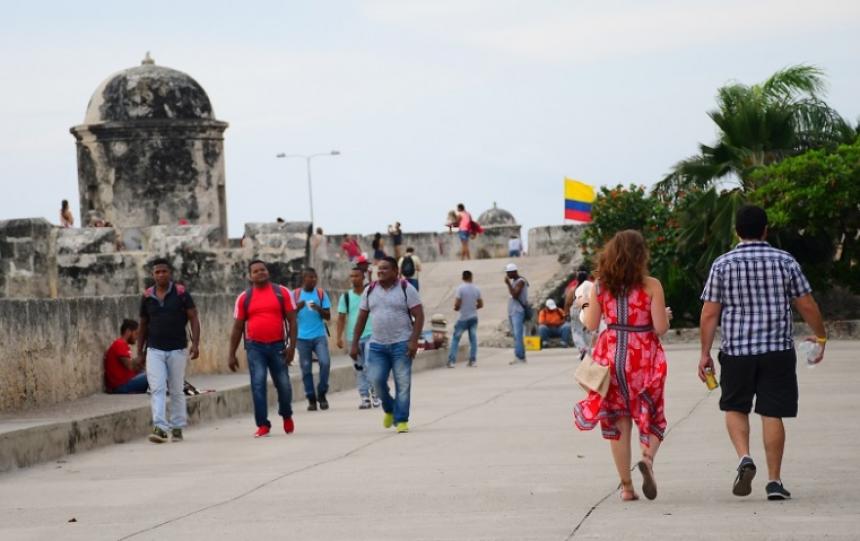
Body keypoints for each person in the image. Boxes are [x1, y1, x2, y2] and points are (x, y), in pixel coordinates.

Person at [698, 205, 826, 501]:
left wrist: (704, 352)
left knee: (735, 407)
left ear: (737, 232)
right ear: (766, 229)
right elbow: (806, 304)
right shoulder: (785, 261)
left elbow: (709, 313)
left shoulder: (723, 264)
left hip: (737, 352)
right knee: (772, 412)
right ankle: (774, 482)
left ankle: (744, 457)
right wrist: (821, 337)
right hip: (777, 351)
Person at [573, 230, 670, 501]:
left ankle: (627, 488)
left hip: (612, 357)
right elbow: (660, 328)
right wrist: (666, 317)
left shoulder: (601, 286)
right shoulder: (652, 285)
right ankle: (648, 459)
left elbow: (591, 325)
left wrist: (584, 306)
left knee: (618, 422)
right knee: (652, 414)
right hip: (644, 358)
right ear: (641, 255)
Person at [350, 257, 425, 434]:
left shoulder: (407, 289)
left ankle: (401, 420)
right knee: (375, 380)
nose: (380, 271)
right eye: (379, 268)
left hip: (402, 344)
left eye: (385, 268)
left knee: (403, 383)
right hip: (377, 346)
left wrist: (413, 341)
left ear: (395, 272)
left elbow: (419, 315)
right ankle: (390, 408)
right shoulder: (370, 290)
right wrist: (354, 343)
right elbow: (361, 318)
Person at [228, 260, 298, 437]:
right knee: (258, 384)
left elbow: (292, 321)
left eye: (263, 270)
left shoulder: (282, 293)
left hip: (278, 346)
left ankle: (286, 414)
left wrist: (291, 347)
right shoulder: (244, 297)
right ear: (250, 276)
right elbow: (237, 327)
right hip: (255, 348)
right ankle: (263, 424)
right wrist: (231, 354)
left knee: (283, 385)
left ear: (268, 272)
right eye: (256, 271)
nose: (260, 273)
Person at [136, 259, 200, 444]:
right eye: (157, 272)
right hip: (154, 349)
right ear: (153, 275)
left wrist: (195, 344)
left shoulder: (181, 293)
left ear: (169, 273)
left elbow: (193, 318)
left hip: (177, 349)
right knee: (157, 389)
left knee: (177, 389)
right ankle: (160, 428)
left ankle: (177, 426)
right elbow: (143, 324)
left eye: (164, 271)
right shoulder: (147, 296)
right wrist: (140, 352)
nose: (161, 275)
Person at [336, 267, 380, 409]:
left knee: (370, 365)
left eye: (356, 276)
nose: (353, 279)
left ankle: (375, 394)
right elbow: (341, 318)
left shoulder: (370, 294)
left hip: (371, 335)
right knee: (359, 367)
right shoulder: (346, 297)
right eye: (351, 276)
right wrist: (338, 337)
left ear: (363, 278)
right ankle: (364, 397)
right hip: (353, 338)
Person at [294, 268, 333, 411]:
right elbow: (288, 316)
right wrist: (297, 308)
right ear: (303, 279)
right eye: (310, 277)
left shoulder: (321, 294)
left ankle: (322, 392)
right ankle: (311, 398)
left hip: (319, 336)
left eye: (315, 277)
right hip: (301, 338)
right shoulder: (295, 294)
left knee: (325, 362)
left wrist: (319, 309)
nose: (313, 280)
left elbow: (328, 316)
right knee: (306, 369)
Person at [448, 270, 483, 368]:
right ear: (471, 277)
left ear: (463, 277)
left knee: (456, 339)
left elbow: (457, 304)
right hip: (473, 317)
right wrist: (472, 307)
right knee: (473, 339)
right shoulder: (476, 289)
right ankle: (473, 360)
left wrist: (456, 308)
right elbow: (481, 304)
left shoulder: (460, 289)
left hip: (462, 318)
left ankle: (452, 361)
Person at [104, 319, 148, 394]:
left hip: (125, 382)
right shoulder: (120, 343)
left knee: (152, 374)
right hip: (121, 386)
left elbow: (133, 368)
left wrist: (142, 361)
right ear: (128, 331)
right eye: (136, 333)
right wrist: (143, 355)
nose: (137, 337)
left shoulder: (123, 345)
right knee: (154, 375)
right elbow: (130, 365)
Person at [565, 270, 594, 358]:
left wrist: (566, 313)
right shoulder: (591, 288)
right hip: (587, 309)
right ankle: (588, 350)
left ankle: (582, 349)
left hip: (576, 310)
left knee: (576, 331)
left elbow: (568, 302)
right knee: (587, 331)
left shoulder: (574, 289)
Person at [504, 263, 529, 365]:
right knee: (516, 335)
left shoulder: (521, 282)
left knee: (518, 335)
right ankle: (521, 356)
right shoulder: (515, 281)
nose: (507, 275)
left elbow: (514, 295)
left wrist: (508, 284)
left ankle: (519, 357)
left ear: (514, 272)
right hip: (513, 311)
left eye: (508, 273)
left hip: (518, 312)